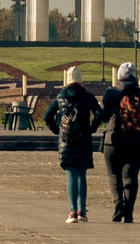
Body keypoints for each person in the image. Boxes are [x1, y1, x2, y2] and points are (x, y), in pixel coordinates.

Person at [101, 62, 140, 224]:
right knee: (131, 176)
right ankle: (129, 214)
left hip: (113, 140)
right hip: (138, 141)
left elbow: (102, 116)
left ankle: (118, 203)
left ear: (119, 76)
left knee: (114, 175)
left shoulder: (111, 93)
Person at [44, 65, 100, 224]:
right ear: (81, 80)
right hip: (83, 140)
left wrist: (57, 131)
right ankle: (82, 211)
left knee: (71, 175)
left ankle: (72, 212)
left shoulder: (61, 96)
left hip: (66, 141)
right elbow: (99, 114)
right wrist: (92, 128)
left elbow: (47, 116)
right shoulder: (88, 97)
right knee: (82, 175)